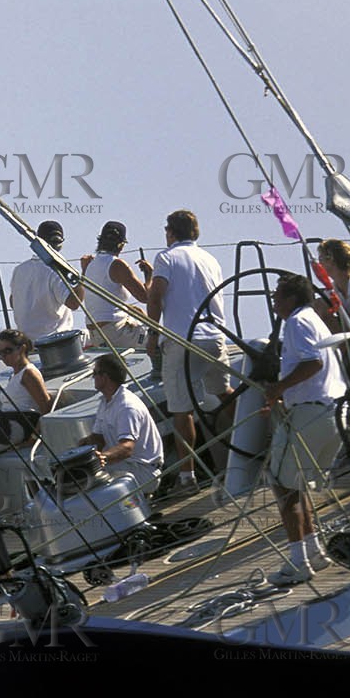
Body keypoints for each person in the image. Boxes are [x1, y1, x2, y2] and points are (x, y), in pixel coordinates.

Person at [262, 274, 349, 585]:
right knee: (297, 485)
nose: (273, 302)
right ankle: (314, 552)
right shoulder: (314, 318)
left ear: (289, 299)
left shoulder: (297, 323)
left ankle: (298, 562)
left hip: (310, 415)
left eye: (277, 297)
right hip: (334, 414)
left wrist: (278, 388)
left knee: (283, 487)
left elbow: (313, 364)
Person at [145, 210, 231, 494]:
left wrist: (152, 335)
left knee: (182, 410)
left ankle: (187, 478)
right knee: (225, 394)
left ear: (170, 232)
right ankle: (245, 451)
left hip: (182, 340)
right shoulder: (210, 259)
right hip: (215, 337)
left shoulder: (166, 258)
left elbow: (156, 296)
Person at [76, 352, 164, 493]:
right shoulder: (106, 402)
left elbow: (127, 448)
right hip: (125, 465)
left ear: (105, 377)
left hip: (143, 471)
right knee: (78, 473)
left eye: (95, 373)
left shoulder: (126, 406)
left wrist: (101, 458)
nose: (93, 377)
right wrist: (84, 445)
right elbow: (98, 438)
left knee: (85, 479)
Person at [0, 328, 53, 460]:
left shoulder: (29, 374)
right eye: (0, 352)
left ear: (22, 349)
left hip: (17, 426)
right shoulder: (14, 375)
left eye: (8, 351)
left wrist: (35, 437)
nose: (4, 356)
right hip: (4, 422)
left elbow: (46, 405)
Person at [79, 220, 150, 350]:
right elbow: (145, 297)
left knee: (138, 311)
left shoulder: (89, 264)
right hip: (115, 332)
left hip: (96, 335)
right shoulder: (117, 264)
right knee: (159, 339)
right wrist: (149, 276)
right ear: (121, 245)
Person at [9, 220, 83, 342]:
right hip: (56, 341)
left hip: (27, 341)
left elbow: (13, 302)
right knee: (94, 336)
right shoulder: (56, 271)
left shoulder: (20, 270)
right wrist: (82, 277)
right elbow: (74, 303)